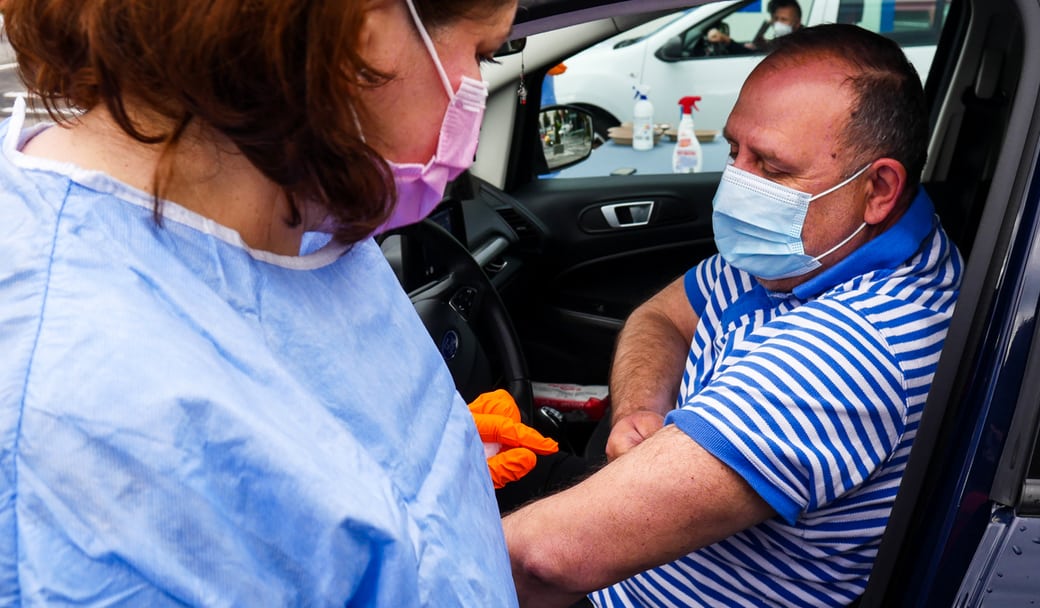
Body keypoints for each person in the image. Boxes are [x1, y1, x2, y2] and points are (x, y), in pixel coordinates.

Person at [0, 0, 524, 605]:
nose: (480, 88)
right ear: (363, 31)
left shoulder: (303, 214)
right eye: (483, 52)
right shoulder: (74, 409)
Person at [503, 23, 964, 608]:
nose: (736, 187)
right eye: (734, 151)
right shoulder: (809, 247)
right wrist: (643, 410)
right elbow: (663, 318)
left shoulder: (851, 348)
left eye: (771, 169)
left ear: (878, 188)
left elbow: (544, 560)